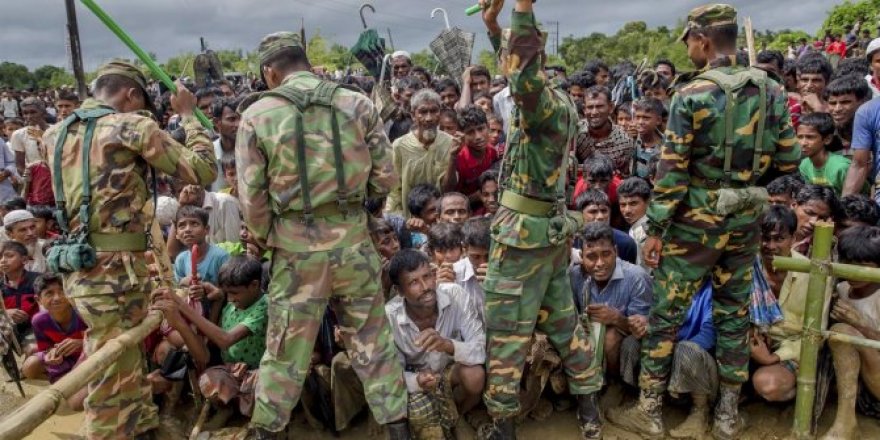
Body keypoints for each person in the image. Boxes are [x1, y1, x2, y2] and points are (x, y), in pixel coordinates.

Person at [607, 5, 800, 440]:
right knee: (734, 316)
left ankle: (650, 412)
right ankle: (728, 416)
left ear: (704, 39)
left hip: (693, 226)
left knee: (665, 315)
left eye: (690, 40)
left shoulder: (691, 94)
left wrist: (654, 229)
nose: (689, 48)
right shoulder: (770, 88)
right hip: (744, 222)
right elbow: (789, 158)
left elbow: (672, 173)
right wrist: (746, 181)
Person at [235, 32, 409, 439]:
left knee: (284, 353)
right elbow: (386, 175)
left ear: (269, 72)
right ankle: (398, 429)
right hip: (353, 243)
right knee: (373, 343)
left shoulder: (257, 115)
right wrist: (360, 211)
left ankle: (268, 431)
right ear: (307, 64)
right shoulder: (357, 102)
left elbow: (251, 197)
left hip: (296, 253)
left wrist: (265, 237)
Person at [42, 60, 217, 439]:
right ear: (131, 94)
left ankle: (141, 429)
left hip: (80, 269)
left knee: (125, 361)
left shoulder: (54, 133)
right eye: (140, 106)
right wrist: (188, 116)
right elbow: (203, 170)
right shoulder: (130, 125)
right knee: (110, 378)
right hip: (117, 273)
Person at [477, 1, 601, 438]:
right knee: (565, 323)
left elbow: (522, 75)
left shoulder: (542, 107)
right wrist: (493, 27)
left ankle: (503, 424)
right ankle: (589, 411)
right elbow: (518, 72)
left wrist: (522, 10)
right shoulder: (557, 103)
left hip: (522, 241)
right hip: (546, 236)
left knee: (508, 332)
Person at [386, 249, 486, 438]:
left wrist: (448, 345)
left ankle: (458, 416)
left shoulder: (455, 294)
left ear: (434, 274)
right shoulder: (390, 316)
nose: (425, 286)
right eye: (414, 282)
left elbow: (480, 349)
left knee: (475, 375)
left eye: (427, 276)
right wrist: (417, 381)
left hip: (450, 373)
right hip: (418, 380)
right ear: (399, 291)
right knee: (425, 424)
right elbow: (391, 374)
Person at [156, 256, 268, 423]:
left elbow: (226, 339)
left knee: (263, 388)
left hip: (256, 371)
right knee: (209, 380)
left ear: (254, 285)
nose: (230, 298)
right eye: (227, 293)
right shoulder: (232, 303)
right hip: (230, 370)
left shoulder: (265, 306)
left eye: (235, 293)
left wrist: (182, 306)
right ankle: (226, 410)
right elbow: (213, 337)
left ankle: (253, 416)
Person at [751, 205, 832, 403]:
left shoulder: (814, 275)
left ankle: (791, 390)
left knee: (768, 385)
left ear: (793, 239)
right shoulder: (747, 266)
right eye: (765, 238)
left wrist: (773, 358)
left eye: (779, 239)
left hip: (788, 348)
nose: (770, 246)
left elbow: (816, 334)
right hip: (751, 342)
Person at [570, 222, 652, 384]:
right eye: (591, 256)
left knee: (610, 337)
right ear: (582, 256)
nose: (600, 263)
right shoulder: (575, 276)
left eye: (606, 254)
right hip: (586, 337)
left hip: (627, 343)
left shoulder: (636, 277)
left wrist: (616, 319)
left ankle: (615, 384)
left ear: (616, 251)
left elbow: (641, 330)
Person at [821, 225, 880, 440]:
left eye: (863, 266)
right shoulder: (841, 288)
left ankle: (845, 423)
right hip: (860, 384)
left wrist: (860, 324)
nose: (852, 271)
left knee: (843, 331)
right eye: (848, 263)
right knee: (839, 332)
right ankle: (846, 420)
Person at [386, 89, 460, 217]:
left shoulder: (450, 143)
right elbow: (394, 189)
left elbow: (448, 188)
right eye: (423, 112)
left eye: (434, 111)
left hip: (439, 217)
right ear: (413, 115)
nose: (429, 118)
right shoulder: (400, 146)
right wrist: (393, 216)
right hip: (409, 218)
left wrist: (453, 156)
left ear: (440, 113)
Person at [21, 273, 87, 383]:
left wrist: (82, 343)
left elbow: (102, 340)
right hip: (65, 359)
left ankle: (70, 378)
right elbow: (46, 348)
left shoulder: (83, 314)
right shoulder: (39, 321)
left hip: (88, 355)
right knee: (29, 368)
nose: (57, 298)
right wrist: (51, 354)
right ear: (38, 299)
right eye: (49, 293)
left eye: (62, 291)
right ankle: (62, 377)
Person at [575, 86, 635, 176]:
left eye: (599, 106)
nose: (594, 112)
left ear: (611, 107)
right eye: (590, 107)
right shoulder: (575, 133)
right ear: (584, 109)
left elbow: (623, 177)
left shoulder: (624, 142)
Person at [575, 189, 638, 265]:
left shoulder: (625, 243)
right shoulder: (570, 242)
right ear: (579, 214)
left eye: (604, 211)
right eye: (593, 212)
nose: (600, 216)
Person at [10, 97, 54, 207]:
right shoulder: (19, 135)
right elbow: (20, 165)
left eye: (33, 112)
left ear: (43, 112)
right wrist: (31, 181)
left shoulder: (56, 131)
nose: (29, 116)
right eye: (25, 113)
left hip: (57, 177)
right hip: (36, 183)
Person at [797, 112, 852, 195]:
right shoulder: (804, 165)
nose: (803, 143)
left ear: (827, 139)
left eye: (810, 137)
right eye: (800, 137)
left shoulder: (841, 167)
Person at [0, 240, 40, 348]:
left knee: (32, 349)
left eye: (9, 256)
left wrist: (32, 318)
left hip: (35, 328)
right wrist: (5, 314)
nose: (3, 260)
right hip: (9, 332)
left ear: (24, 260)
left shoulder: (38, 280)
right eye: (1, 257)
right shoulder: (1, 286)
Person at [452, 217, 490, 324]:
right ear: (464, 249)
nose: (483, 263)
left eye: (488, 256)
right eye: (476, 257)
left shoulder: (509, 271)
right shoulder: (454, 274)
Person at [455, 106, 499, 199]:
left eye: (481, 129)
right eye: (470, 132)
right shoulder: (459, 159)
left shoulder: (493, 152)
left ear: (488, 127)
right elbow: (454, 197)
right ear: (462, 134)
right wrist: (477, 196)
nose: (478, 136)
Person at [826, 75, 870, 155]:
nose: (837, 109)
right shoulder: (825, 133)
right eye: (832, 103)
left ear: (862, 102)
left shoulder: (873, 132)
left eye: (845, 102)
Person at [617, 177, 652, 268]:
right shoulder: (636, 227)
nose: (627, 210)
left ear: (647, 202)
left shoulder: (642, 232)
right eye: (623, 205)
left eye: (633, 204)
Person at [210, 97, 242, 192]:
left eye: (241, 118)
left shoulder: (255, 150)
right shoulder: (208, 154)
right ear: (216, 122)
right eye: (232, 119)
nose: (238, 124)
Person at [630, 98, 665, 180]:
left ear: (658, 120)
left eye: (646, 118)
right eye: (637, 117)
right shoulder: (634, 139)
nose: (640, 122)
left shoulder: (666, 148)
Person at [405, 183, 441, 248]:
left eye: (439, 207)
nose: (438, 213)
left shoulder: (452, 225)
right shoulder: (411, 240)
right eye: (432, 210)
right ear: (417, 216)